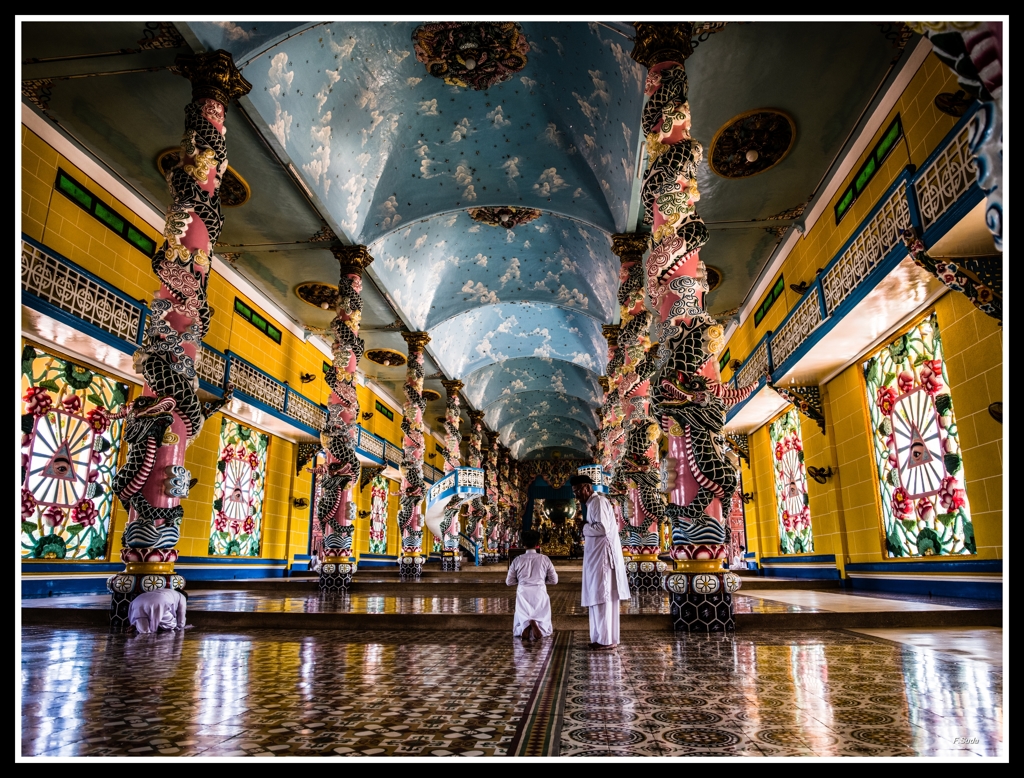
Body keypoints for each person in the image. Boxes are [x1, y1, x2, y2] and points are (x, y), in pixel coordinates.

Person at [570, 474, 630, 650]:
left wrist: (584, 527)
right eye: (574, 492)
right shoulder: (592, 504)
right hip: (597, 558)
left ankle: (605, 640)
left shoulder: (598, 502)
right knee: (599, 597)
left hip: (603, 559)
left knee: (602, 597)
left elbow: (602, 528)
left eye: (578, 491)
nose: (576, 495)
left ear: (587, 487)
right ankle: (603, 638)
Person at [506, 529, 558, 640]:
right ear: (537, 543)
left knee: (522, 614)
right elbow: (554, 580)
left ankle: (524, 626)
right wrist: (542, 581)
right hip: (539, 590)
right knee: (543, 618)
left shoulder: (517, 560)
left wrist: (521, 581)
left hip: (523, 591)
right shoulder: (545, 559)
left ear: (523, 544)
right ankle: (539, 627)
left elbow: (509, 582)